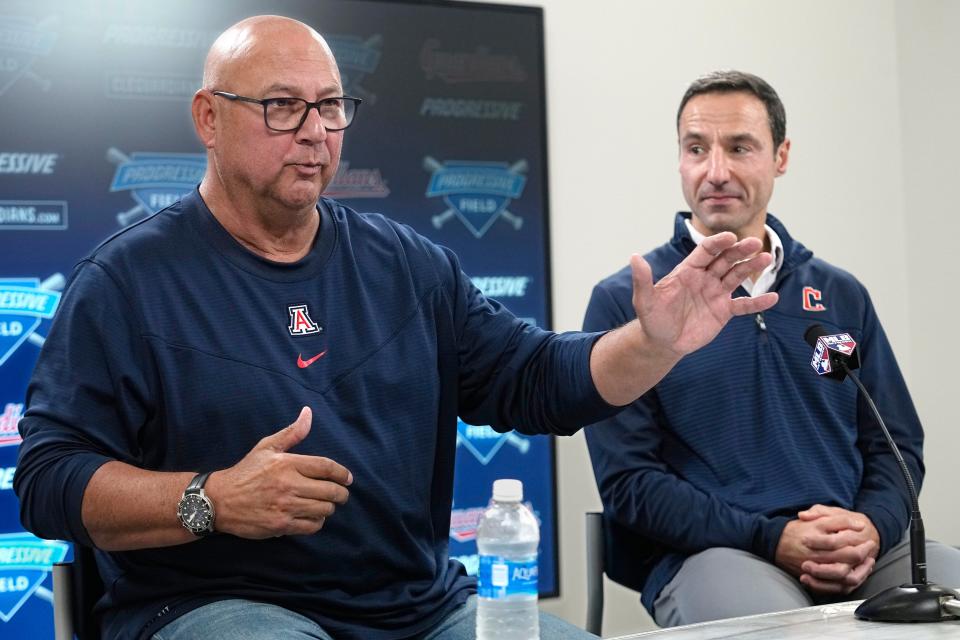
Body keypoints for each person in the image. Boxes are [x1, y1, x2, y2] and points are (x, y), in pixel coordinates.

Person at [14, 19, 775, 640]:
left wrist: (654, 343)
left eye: (332, 106)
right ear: (208, 118)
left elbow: (536, 381)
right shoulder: (126, 282)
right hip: (216, 608)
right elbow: (49, 482)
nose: (316, 133)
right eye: (282, 106)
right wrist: (209, 498)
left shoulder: (406, 264)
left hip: (420, 612)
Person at [583, 70, 960, 627]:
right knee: (780, 629)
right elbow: (631, 485)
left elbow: (895, 444)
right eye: (696, 149)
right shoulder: (629, 303)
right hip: (717, 557)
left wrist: (873, 527)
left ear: (780, 156)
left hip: (864, 553)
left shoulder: (839, 294)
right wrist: (773, 536)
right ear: (679, 159)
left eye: (740, 147)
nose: (716, 171)